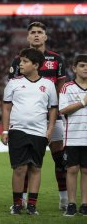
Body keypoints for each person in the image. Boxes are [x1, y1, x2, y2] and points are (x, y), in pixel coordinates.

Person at [9, 21, 68, 210]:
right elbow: (13, 90)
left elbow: (61, 89)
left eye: (39, 32)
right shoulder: (18, 61)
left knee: (60, 159)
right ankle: (23, 200)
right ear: (27, 37)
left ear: (45, 36)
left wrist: (58, 112)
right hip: (27, 119)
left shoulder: (56, 60)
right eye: (32, 32)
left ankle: (64, 199)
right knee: (25, 162)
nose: (36, 35)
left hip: (53, 117)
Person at [2, 48, 58, 215]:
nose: (21, 64)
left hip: (39, 132)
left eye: (25, 61)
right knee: (19, 169)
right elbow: (6, 108)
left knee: (35, 168)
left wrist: (50, 130)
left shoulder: (48, 85)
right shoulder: (13, 83)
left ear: (35, 65)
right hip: (17, 130)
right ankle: (17, 204)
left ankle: (32, 205)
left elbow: (53, 109)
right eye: (21, 61)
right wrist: (5, 131)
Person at [59, 54, 87, 217]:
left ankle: (84, 204)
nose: (85, 68)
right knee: (72, 169)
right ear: (74, 68)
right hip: (73, 137)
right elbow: (63, 110)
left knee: (86, 170)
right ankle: (71, 203)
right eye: (82, 65)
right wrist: (83, 102)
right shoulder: (67, 87)